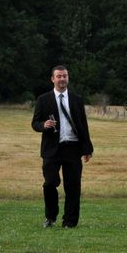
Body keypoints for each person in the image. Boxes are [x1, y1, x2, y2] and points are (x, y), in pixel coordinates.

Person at [31, 65, 94, 228]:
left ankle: (70, 222)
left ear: (68, 78)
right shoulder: (43, 100)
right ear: (53, 79)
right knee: (50, 182)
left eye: (64, 76)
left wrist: (87, 148)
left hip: (73, 147)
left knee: (73, 186)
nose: (62, 79)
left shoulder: (77, 99)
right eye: (58, 76)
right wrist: (43, 125)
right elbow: (35, 123)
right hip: (52, 149)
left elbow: (83, 125)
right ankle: (51, 216)